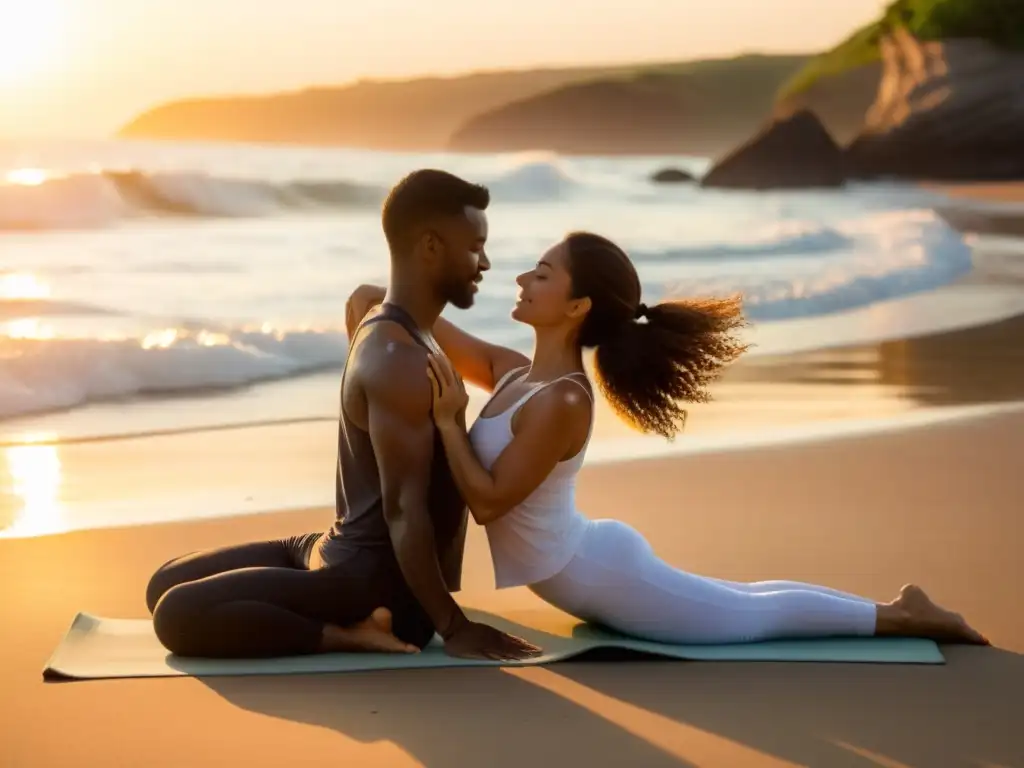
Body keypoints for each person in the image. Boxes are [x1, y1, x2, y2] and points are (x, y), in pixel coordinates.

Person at [348, 231, 988, 646]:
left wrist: (446, 421)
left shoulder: (565, 400)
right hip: (590, 562)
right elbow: (388, 305)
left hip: (595, 574)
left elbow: (488, 502)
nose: (521, 279)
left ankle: (904, 616)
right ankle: (899, 606)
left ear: (578, 307)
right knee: (741, 599)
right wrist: (382, 307)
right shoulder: (512, 372)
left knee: (750, 616)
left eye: (542, 274)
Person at [144, 169, 542, 661]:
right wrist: (459, 629)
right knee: (163, 583)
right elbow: (400, 511)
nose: (484, 262)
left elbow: (405, 512)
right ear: (431, 246)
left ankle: (350, 633)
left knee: (175, 615)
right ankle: (343, 623)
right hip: (335, 550)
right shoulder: (391, 346)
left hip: (381, 588)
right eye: (474, 247)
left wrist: (450, 627)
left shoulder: (395, 334)